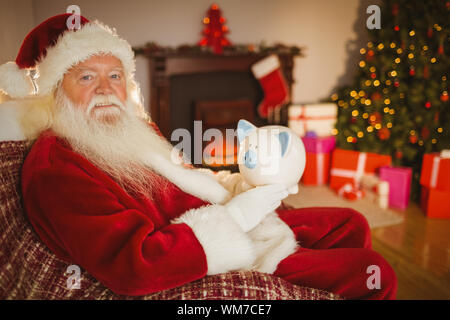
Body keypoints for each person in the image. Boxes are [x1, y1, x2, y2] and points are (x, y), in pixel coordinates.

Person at [0, 14, 397, 299]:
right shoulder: (57, 168)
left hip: (233, 217)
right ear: (57, 90)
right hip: (221, 252)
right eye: (87, 76)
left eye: (115, 76)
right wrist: (239, 215)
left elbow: (187, 175)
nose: (106, 89)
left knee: (352, 221)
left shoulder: (129, 131)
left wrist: (243, 185)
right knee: (375, 275)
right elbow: (136, 265)